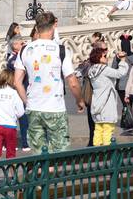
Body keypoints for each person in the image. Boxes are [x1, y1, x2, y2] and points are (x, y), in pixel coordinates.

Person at [14, 11, 84, 154]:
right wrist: (80, 100)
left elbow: (17, 82)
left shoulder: (25, 50)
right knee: (59, 152)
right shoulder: (60, 50)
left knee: (37, 153)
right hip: (55, 108)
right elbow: (73, 82)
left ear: (37, 28)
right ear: (54, 26)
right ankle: (53, 173)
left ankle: (41, 174)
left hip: (34, 108)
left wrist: (27, 101)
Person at [87, 45, 125, 146]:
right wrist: (122, 61)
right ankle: (107, 151)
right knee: (108, 129)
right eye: (104, 56)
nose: (106, 58)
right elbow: (120, 73)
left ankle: (96, 150)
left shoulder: (91, 70)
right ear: (98, 57)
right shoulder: (104, 69)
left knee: (98, 129)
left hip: (97, 103)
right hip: (107, 104)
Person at [0, 66, 25, 160]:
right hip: (10, 125)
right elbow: (21, 111)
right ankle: (12, 174)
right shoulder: (14, 93)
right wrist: (15, 115)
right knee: (11, 153)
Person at [6, 34, 29, 150]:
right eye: (22, 43)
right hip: (17, 92)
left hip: (18, 90)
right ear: (15, 45)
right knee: (21, 118)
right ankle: (24, 143)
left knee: (17, 118)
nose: (24, 45)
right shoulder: (14, 59)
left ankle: (10, 143)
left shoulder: (17, 57)